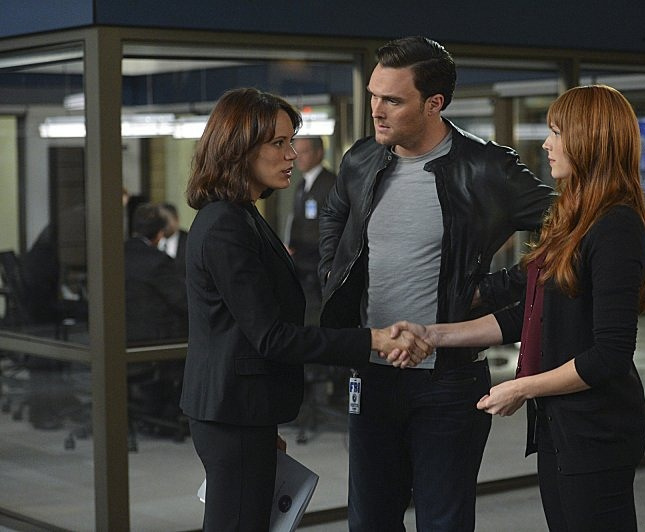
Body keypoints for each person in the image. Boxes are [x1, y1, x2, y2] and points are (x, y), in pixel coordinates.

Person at [318, 36, 555, 531]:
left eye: (392, 100)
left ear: (434, 103)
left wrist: (493, 289)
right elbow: (335, 219)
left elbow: (570, 229)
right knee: (370, 521)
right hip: (373, 371)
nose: (376, 110)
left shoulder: (486, 167)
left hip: (448, 381)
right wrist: (331, 277)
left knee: (443, 522)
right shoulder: (362, 159)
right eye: (374, 95)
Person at [392, 85, 645, 531]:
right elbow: (527, 316)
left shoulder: (616, 226)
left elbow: (609, 355)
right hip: (559, 426)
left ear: (590, 140)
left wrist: (522, 387)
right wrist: (435, 335)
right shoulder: (573, 216)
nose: (546, 144)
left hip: (596, 432)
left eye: (557, 133)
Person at [179, 87, 429, 532]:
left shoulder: (242, 215)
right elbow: (272, 336)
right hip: (233, 415)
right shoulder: (225, 225)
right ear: (239, 149)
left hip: (244, 412)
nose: (292, 154)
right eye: (278, 143)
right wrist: (370, 340)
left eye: (291, 141)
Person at [286, 136, 336, 325]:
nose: (298, 157)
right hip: (301, 261)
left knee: (316, 313)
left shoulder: (331, 183)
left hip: (317, 260)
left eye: (304, 152)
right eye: (297, 152)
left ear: (319, 153)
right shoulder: (301, 184)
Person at [124, 202, 188, 342]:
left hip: (121, 333)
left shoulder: (117, 254)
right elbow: (181, 298)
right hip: (155, 338)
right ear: (160, 234)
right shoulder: (159, 261)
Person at [159, 202, 188, 277]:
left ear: (177, 219)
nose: (164, 225)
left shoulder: (189, 240)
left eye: (167, 220)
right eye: (161, 220)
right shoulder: (151, 240)